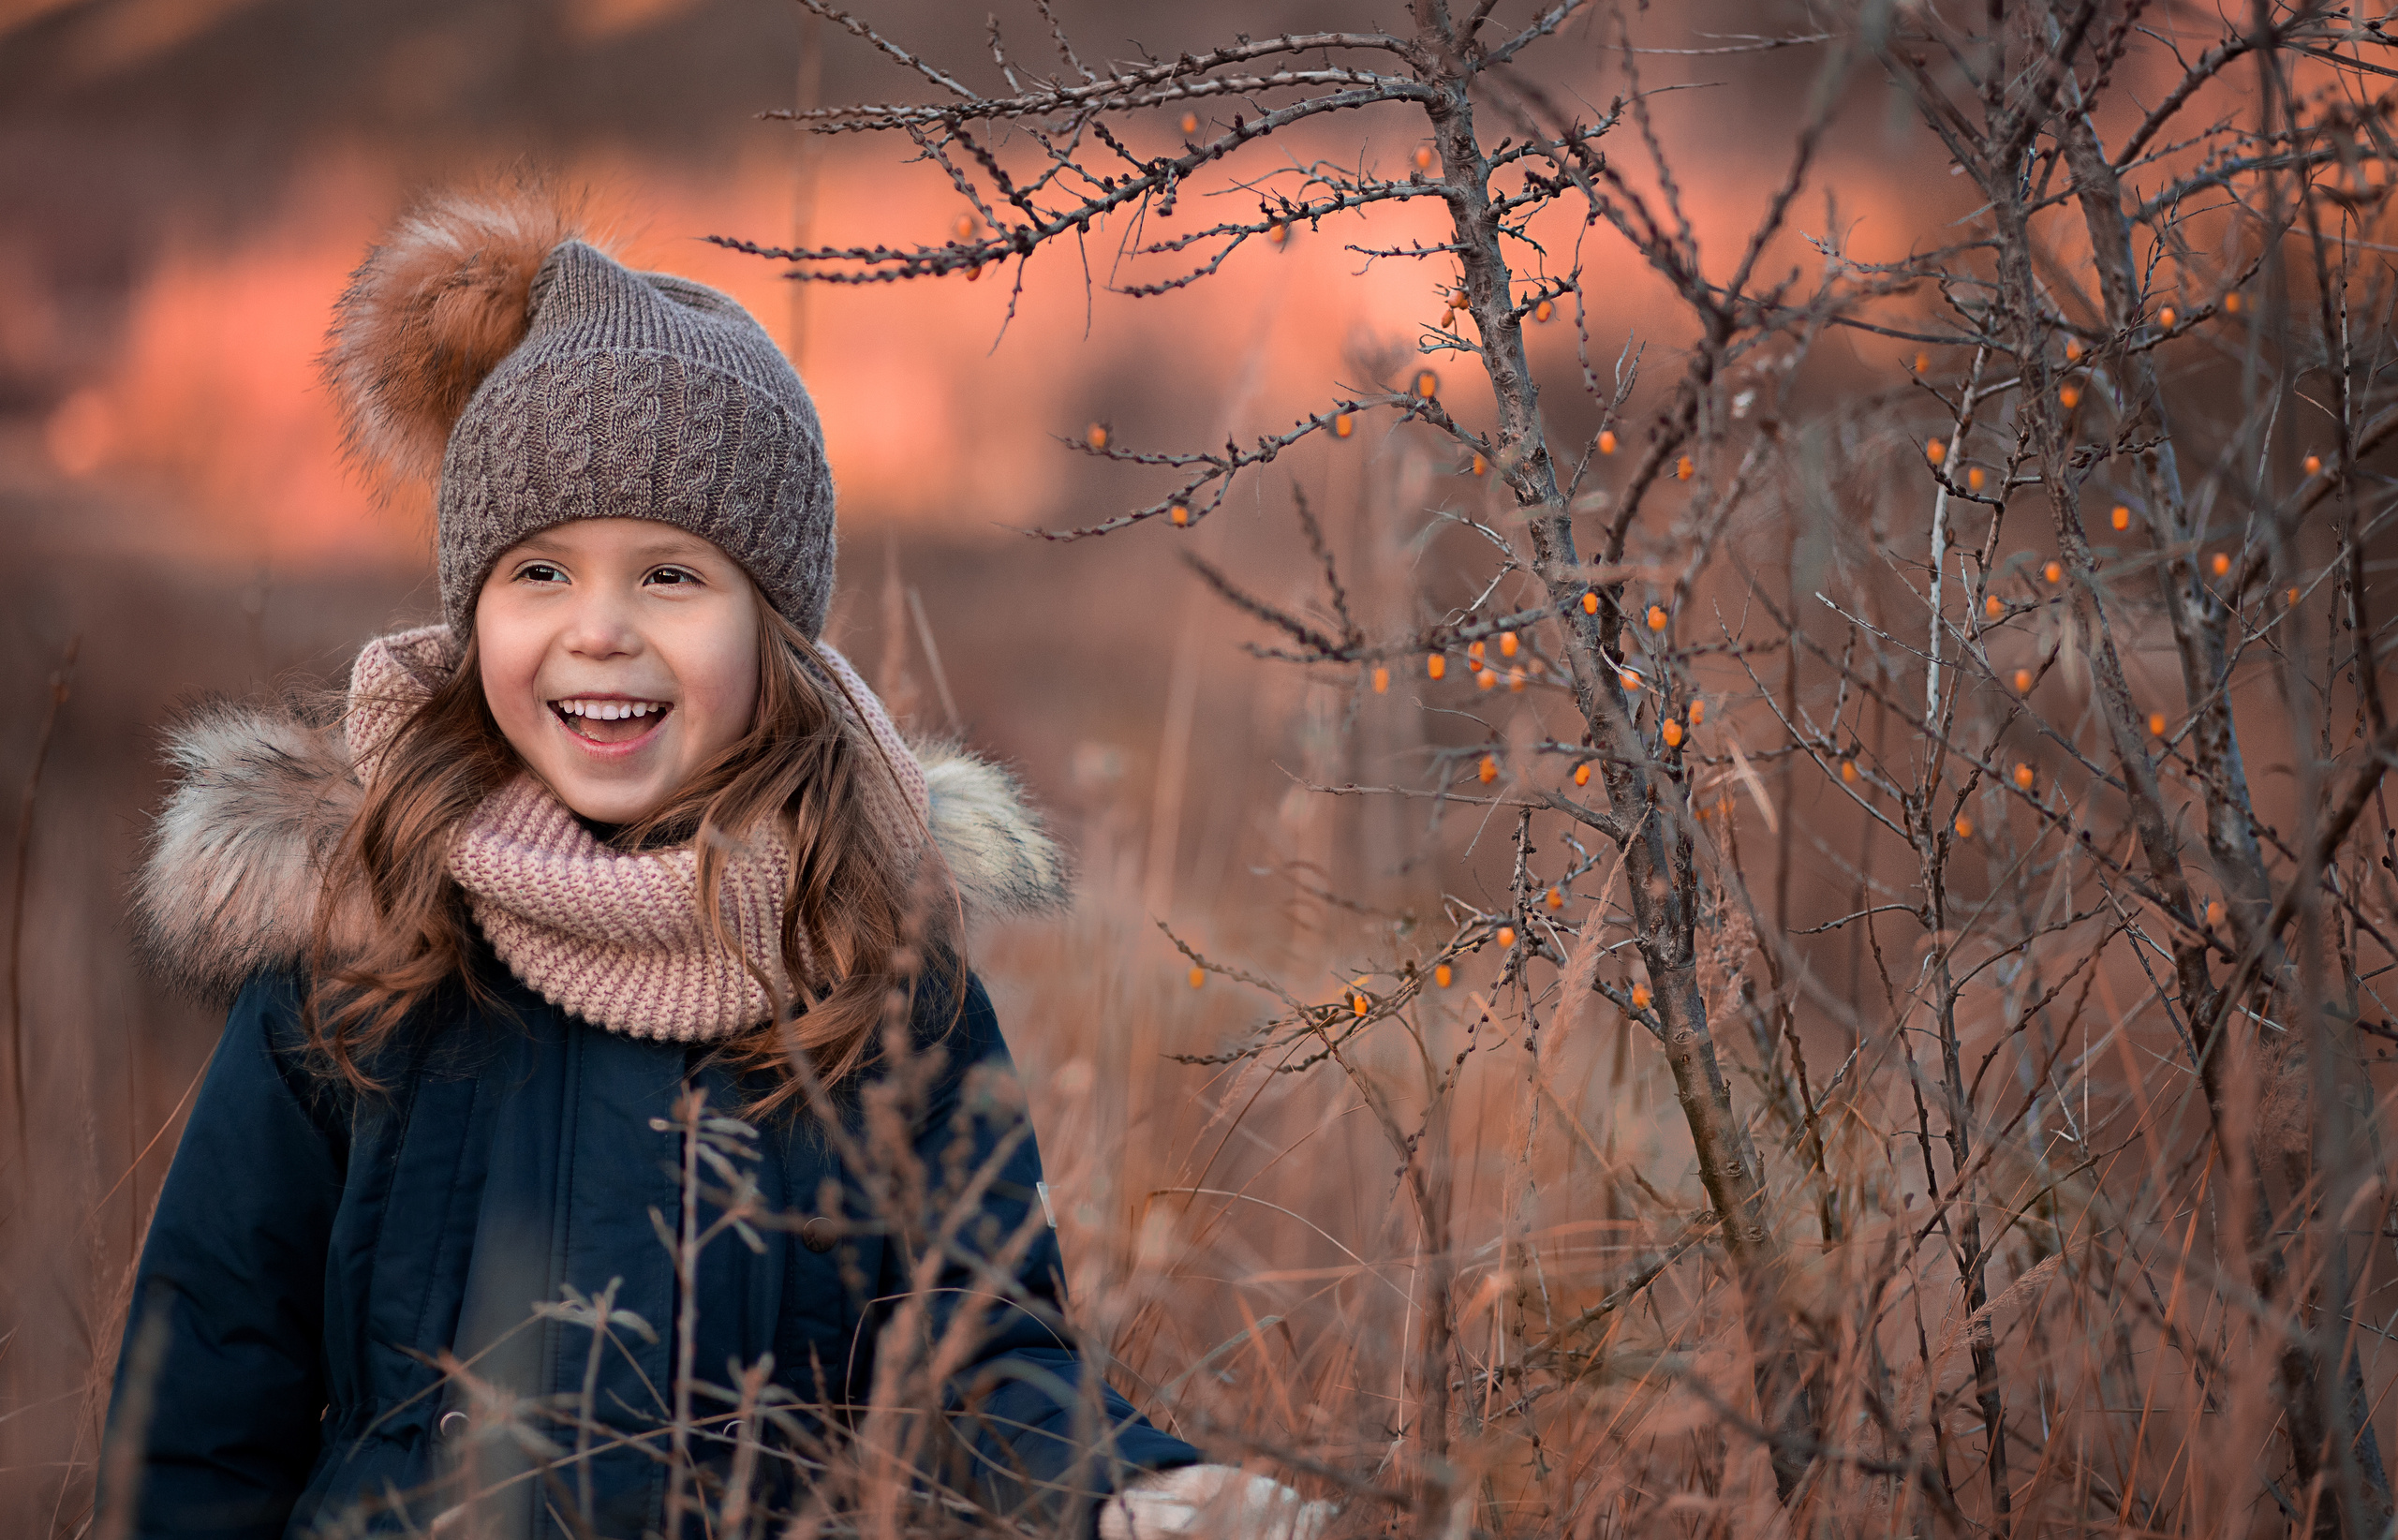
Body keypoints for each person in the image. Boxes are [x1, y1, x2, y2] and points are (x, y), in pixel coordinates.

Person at [104, 189, 1331, 1540]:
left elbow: (979, 1349)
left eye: (672, 578)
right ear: (471, 613)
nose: (600, 633)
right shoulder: (359, 951)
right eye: (541, 575)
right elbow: (209, 1378)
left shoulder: (873, 970)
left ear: (774, 635)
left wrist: (1125, 1485)